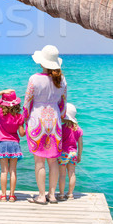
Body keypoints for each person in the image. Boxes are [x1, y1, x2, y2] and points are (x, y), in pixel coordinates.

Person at [22, 45, 67, 205]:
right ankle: (53, 195)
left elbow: (27, 104)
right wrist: (60, 118)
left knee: (39, 161)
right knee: (53, 161)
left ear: (42, 63)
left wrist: (23, 121)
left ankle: (41, 196)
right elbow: (63, 106)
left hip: (37, 122)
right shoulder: (62, 80)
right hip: (54, 123)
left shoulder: (34, 79)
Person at [0, 89, 25, 202]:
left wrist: (2, 91)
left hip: (3, 144)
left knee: (4, 171)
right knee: (13, 171)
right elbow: (22, 134)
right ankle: (12, 196)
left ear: (3, 103)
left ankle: (3, 195)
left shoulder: (0, 113)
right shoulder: (19, 117)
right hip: (14, 144)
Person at [57, 103, 83, 201]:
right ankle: (70, 194)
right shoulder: (78, 129)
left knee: (62, 175)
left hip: (63, 153)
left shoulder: (62, 128)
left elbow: (58, 142)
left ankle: (62, 194)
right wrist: (79, 155)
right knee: (72, 174)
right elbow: (80, 144)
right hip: (73, 153)